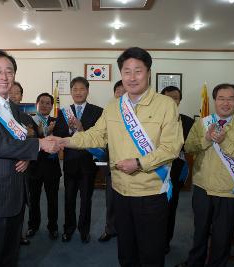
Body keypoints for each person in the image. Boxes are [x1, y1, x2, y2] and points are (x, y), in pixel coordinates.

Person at [54, 47, 183, 266]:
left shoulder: (166, 105)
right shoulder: (114, 107)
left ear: (148, 72)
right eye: (126, 71)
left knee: (151, 253)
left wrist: (140, 163)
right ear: (121, 74)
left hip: (151, 193)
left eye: (138, 71)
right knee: (126, 251)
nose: (132, 77)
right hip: (120, 191)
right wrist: (63, 141)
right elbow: (96, 136)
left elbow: (171, 148)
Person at [0, 49, 58, 267]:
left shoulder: (14, 108)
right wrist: (39, 145)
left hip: (16, 191)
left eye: (9, 71)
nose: (4, 77)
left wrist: (25, 156)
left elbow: (17, 142)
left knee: (9, 256)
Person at [178, 83, 234, 267]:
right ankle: (194, 262)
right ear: (214, 100)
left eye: (231, 98)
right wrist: (206, 139)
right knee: (200, 232)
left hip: (228, 191)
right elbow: (189, 147)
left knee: (223, 236)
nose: (226, 103)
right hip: (202, 187)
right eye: (221, 98)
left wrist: (225, 143)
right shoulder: (201, 123)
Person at [53, 76, 103, 243]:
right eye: (75, 89)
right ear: (71, 92)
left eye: (82, 89)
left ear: (87, 91)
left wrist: (82, 129)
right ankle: (68, 229)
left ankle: (84, 230)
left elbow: (99, 135)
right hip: (70, 163)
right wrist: (69, 128)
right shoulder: (64, 112)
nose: (78, 92)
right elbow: (59, 133)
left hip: (88, 163)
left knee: (86, 200)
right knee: (68, 198)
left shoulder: (97, 111)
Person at [160, 86, 194, 253]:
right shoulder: (153, 119)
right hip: (155, 170)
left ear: (180, 100)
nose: (173, 101)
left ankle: (165, 241)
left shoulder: (188, 122)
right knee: (152, 208)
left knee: (170, 207)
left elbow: (190, 147)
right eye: (169, 98)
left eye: (176, 98)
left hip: (175, 172)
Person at [26, 93, 62, 240]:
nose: (45, 105)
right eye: (42, 102)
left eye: (48, 103)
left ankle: (53, 227)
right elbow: (30, 140)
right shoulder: (30, 121)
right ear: (37, 104)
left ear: (52, 106)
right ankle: (33, 226)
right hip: (34, 167)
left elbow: (61, 141)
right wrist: (46, 132)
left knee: (53, 200)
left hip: (52, 168)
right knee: (33, 200)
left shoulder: (57, 121)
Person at [7, 81, 36, 246]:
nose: (13, 94)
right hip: (3, 167)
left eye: (17, 92)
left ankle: (18, 235)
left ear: (21, 96)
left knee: (20, 203)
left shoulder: (26, 117)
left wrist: (26, 158)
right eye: (10, 91)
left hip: (22, 168)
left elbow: (32, 140)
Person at [98, 80, 125, 242]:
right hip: (112, 165)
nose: (121, 94)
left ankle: (127, 231)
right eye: (118, 91)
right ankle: (110, 229)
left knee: (130, 204)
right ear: (114, 94)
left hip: (133, 165)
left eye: (124, 91)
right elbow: (99, 137)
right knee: (112, 201)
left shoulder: (138, 114)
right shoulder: (108, 112)